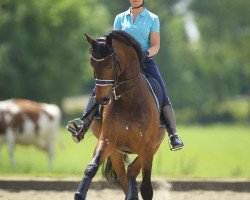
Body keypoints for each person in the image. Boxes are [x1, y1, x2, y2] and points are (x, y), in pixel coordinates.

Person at [67, 0, 184, 151]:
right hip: (122, 65)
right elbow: (114, 43)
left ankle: (173, 135)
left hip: (145, 62)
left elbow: (156, 45)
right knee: (100, 87)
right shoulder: (120, 18)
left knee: (162, 93)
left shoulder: (152, 18)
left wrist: (145, 53)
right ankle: (82, 125)